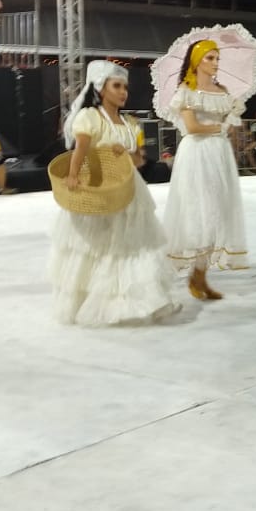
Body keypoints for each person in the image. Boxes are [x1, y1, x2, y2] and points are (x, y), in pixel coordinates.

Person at [50, 61, 180, 326]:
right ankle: (97, 302)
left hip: (129, 189)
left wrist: (128, 154)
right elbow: (80, 149)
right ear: (101, 89)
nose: (123, 92)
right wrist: (73, 175)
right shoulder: (90, 117)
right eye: (117, 86)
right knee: (100, 245)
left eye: (125, 88)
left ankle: (135, 301)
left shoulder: (130, 123)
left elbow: (140, 161)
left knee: (131, 246)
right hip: (100, 188)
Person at [162, 39, 249, 301]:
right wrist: (220, 127)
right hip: (197, 154)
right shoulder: (186, 90)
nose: (215, 62)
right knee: (199, 212)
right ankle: (196, 275)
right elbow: (192, 127)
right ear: (196, 60)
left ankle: (200, 276)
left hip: (219, 153)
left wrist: (230, 121)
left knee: (217, 212)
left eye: (217, 58)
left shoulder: (223, 91)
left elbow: (228, 124)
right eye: (210, 57)